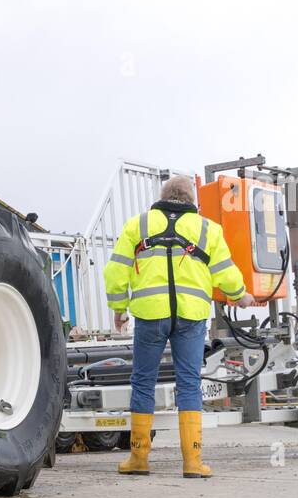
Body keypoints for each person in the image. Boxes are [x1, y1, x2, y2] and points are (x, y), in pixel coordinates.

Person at [103, 176, 255, 478]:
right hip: (191, 317)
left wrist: (119, 309)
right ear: (190, 199)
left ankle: (138, 458)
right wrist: (241, 295)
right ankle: (192, 462)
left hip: (150, 315)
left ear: (164, 196)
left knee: (143, 381)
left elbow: (116, 271)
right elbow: (224, 271)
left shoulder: (138, 225)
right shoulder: (208, 228)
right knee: (188, 382)